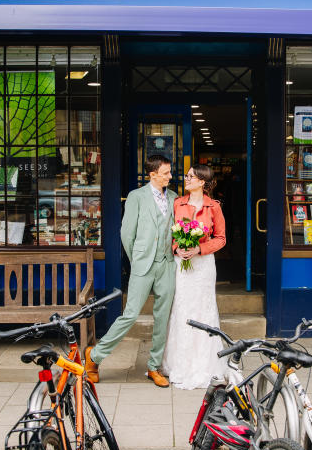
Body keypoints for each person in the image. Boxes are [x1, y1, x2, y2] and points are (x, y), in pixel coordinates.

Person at [85, 155, 177, 387]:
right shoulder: (136, 197)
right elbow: (127, 233)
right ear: (153, 174)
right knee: (131, 314)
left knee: (163, 316)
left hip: (166, 264)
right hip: (143, 264)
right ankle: (94, 357)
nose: (170, 176)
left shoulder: (174, 197)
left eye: (169, 172)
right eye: (166, 172)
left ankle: (154, 367)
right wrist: (137, 258)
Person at [161, 164, 227, 390]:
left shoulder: (214, 207)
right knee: (182, 309)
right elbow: (168, 231)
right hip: (182, 265)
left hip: (204, 266)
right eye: (187, 175)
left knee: (204, 310)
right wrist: (176, 247)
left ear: (202, 181)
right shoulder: (178, 203)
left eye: (191, 176)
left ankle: (205, 365)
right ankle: (180, 364)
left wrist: (199, 249)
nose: (186, 178)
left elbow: (221, 238)